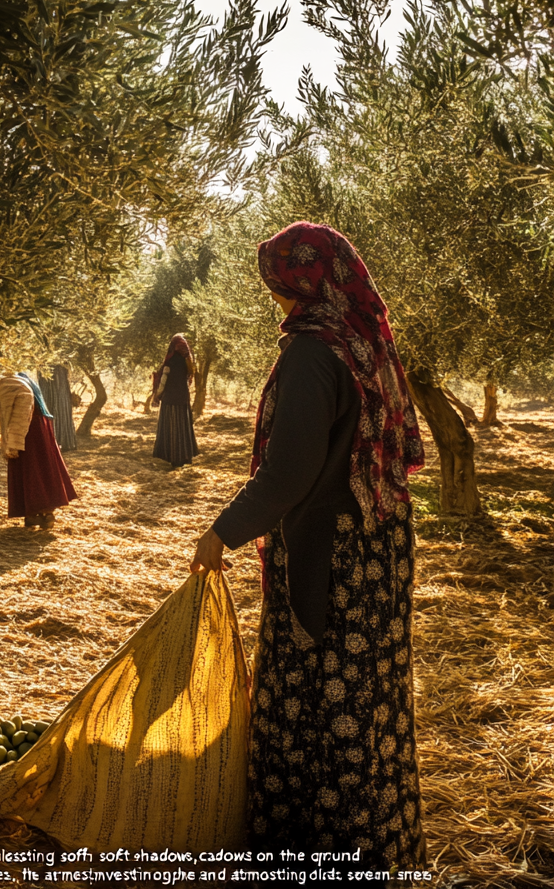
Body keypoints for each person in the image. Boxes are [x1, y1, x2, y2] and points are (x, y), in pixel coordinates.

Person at [189, 222, 427, 866]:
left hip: (336, 553)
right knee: (370, 693)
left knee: (321, 698)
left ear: (299, 280)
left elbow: (290, 474)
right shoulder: (367, 340)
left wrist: (223, 533)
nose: (276, 299)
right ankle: (376, 841)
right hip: (382, 545)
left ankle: (319, 851)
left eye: (277, 286)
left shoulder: (311, 354)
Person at [0, 372, 77, 530]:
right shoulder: (22, 379)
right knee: (43, 467)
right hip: (40, 428)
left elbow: (11, 414)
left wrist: (12, 439)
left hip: (28, 430)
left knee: (31, 468)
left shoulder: (6, 384)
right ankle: (43, 514)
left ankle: (36, 513)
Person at [152, 334, 199, 469]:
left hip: (169, 400)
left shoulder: (170, 361)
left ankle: (172, 458)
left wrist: (157, 395)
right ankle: (183, 457)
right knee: (182, 427)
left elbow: (163, 381)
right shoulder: (187, 362)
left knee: (171, 428)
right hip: (183, 399)